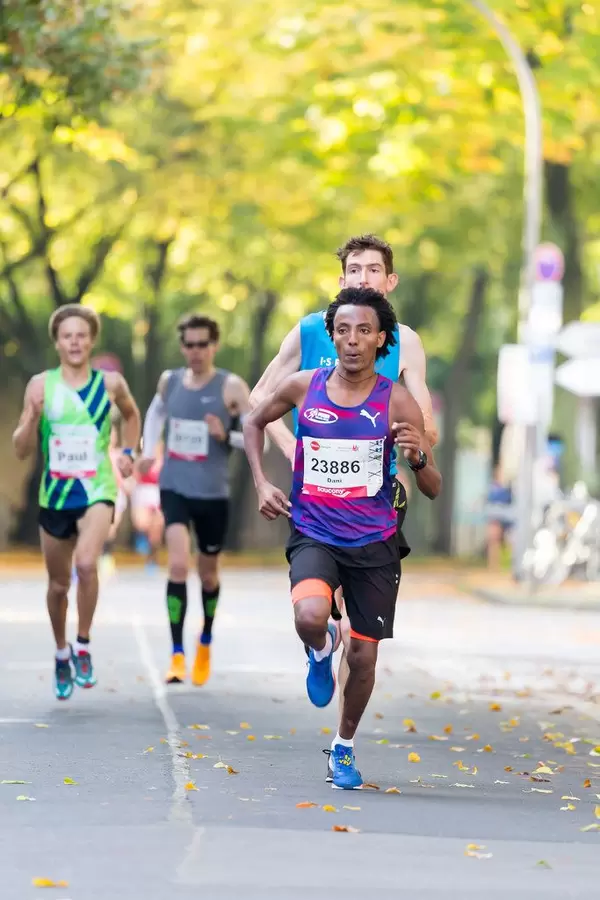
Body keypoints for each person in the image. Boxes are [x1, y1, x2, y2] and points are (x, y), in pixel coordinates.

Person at [249, 233, 438, 778]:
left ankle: (344, 728)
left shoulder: (404, 341)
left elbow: (422, 421)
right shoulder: (311, 331)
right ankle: (318, 636)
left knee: (364, 650)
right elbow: (262, 404)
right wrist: (291, 455)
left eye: (373, 270)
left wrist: (418, 449)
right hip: (313, 503)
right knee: (312, 606)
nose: (362, 278)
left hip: (380, 497)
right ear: (340, 281)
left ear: (389, 282)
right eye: (353, 269)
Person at [12, 304, 140, 700]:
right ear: (57, 342)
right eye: (67, 335)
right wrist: (32, 418)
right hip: (55, 495)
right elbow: (20, 449)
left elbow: (131, 416)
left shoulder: (111, 383)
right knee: (57, 585)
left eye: (81, 335)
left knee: (87, 564)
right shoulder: (40, 385)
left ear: (91, 340)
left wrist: (129, 453)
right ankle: (61, 652)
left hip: (97, 490)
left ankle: (82, 643)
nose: (75, 342)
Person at [138, 313, 253, 686]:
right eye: (189, 344)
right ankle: (176, 654)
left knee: (207, 574)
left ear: (214, 345)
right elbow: (156, 412)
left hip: (213, 494)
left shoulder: (231, 386)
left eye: (203, 344)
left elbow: (254, 436)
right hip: (174, 487)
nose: (196, 351)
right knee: (176, 566)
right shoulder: (169, 382)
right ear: (182, 346)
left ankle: (204, 639)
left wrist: (225, 435)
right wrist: (148, 450)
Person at [131, 445, 164, 571]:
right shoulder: (142, 461)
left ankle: (153, 558)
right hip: (143, 494)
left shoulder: (164, 462)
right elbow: (135, 476)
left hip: (158, 495)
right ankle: (142, 539)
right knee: (142, 523)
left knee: (156, 531)